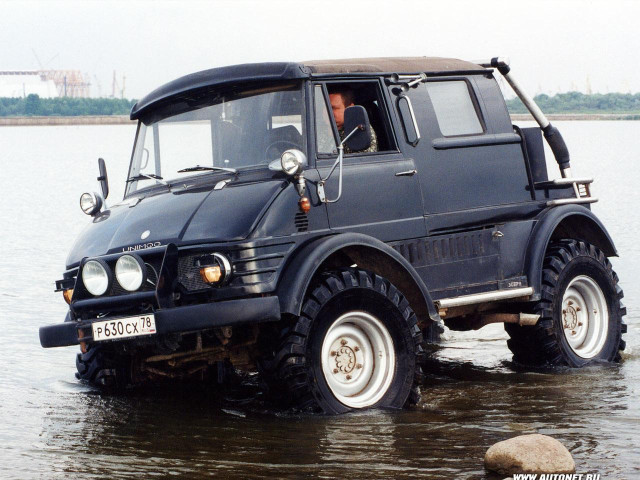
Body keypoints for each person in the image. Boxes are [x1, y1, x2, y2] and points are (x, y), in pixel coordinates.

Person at [328, 88, 378, 154]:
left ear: (350, 108)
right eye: (325, 108)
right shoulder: (317, 127)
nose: (328, 113)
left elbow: (359, 161)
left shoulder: (359, 129)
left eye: (334, 108)